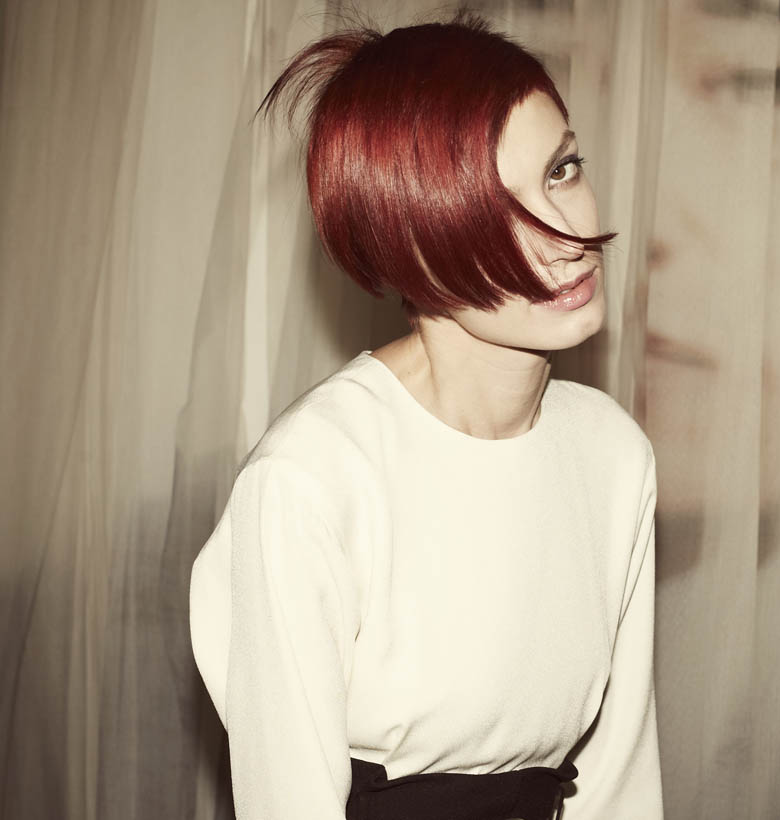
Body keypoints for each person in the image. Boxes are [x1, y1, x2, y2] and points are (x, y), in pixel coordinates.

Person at [188, 13, 662, 820]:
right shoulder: (310, 481)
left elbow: (620, 782)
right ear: (404, 249)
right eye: (491, 212)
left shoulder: (613, 453)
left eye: (561, 170)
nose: (566, 238)